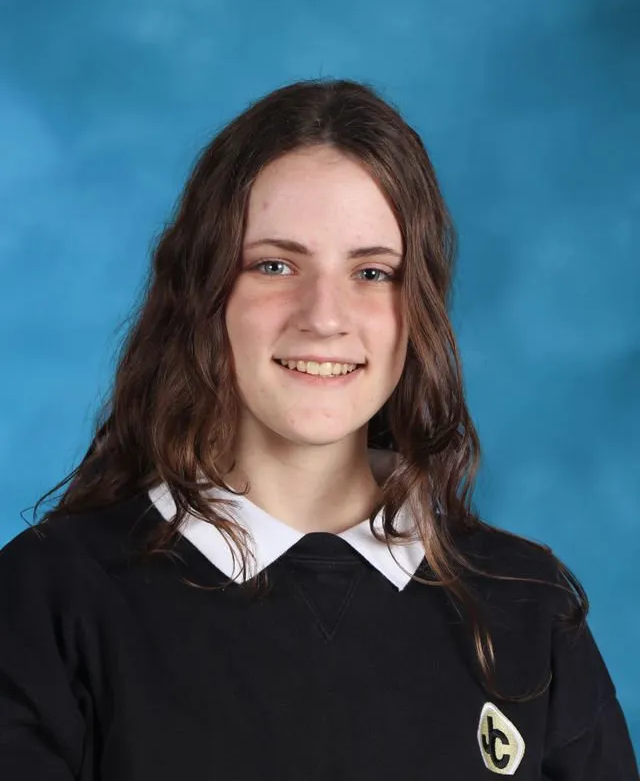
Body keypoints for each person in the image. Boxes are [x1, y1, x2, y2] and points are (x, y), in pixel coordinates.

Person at [0, 79, 636, 780]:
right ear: (204, 293)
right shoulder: (50, 597)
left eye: (372, 271)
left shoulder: (525, 607)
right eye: (275, 265)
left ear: (417, 307)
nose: (325, 316)